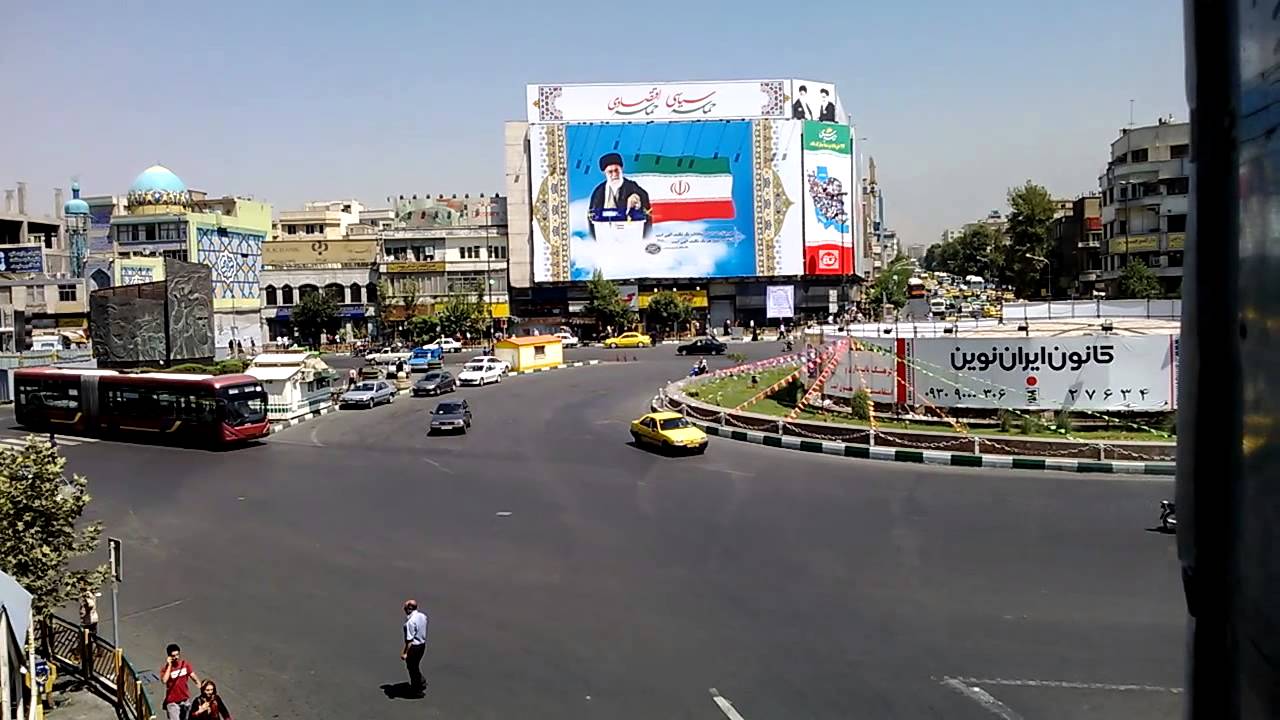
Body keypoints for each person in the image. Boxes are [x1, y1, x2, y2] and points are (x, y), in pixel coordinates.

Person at [588, 152, 651, 238]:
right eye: (610, 172)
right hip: (607, 236)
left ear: (621, 169)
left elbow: (645, 206)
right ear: (605, 173)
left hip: (630, 235)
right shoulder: (599, 192)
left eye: (616, 170)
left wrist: (636, 200)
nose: (614, 174)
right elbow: (591, 216)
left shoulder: (632, 186)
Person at [160, 643, 201, 720]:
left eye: (177, 655)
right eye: (173, 656)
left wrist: (199, 684)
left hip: (185, 700)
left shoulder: (185, 665)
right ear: (169, 656)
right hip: (172, 702)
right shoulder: (165, 669)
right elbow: (164, 680)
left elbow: (192, 675)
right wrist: (169, 665)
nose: (176, 657)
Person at [401, 599, 428, 694]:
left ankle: (416, 688)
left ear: (409, 608)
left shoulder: (410, 623)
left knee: (412, 667)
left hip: (414, 647)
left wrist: (405, 653)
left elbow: (409, 641)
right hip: (422, 645)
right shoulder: (423, 616)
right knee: (415, 666)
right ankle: (421, 681)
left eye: (405, 607)